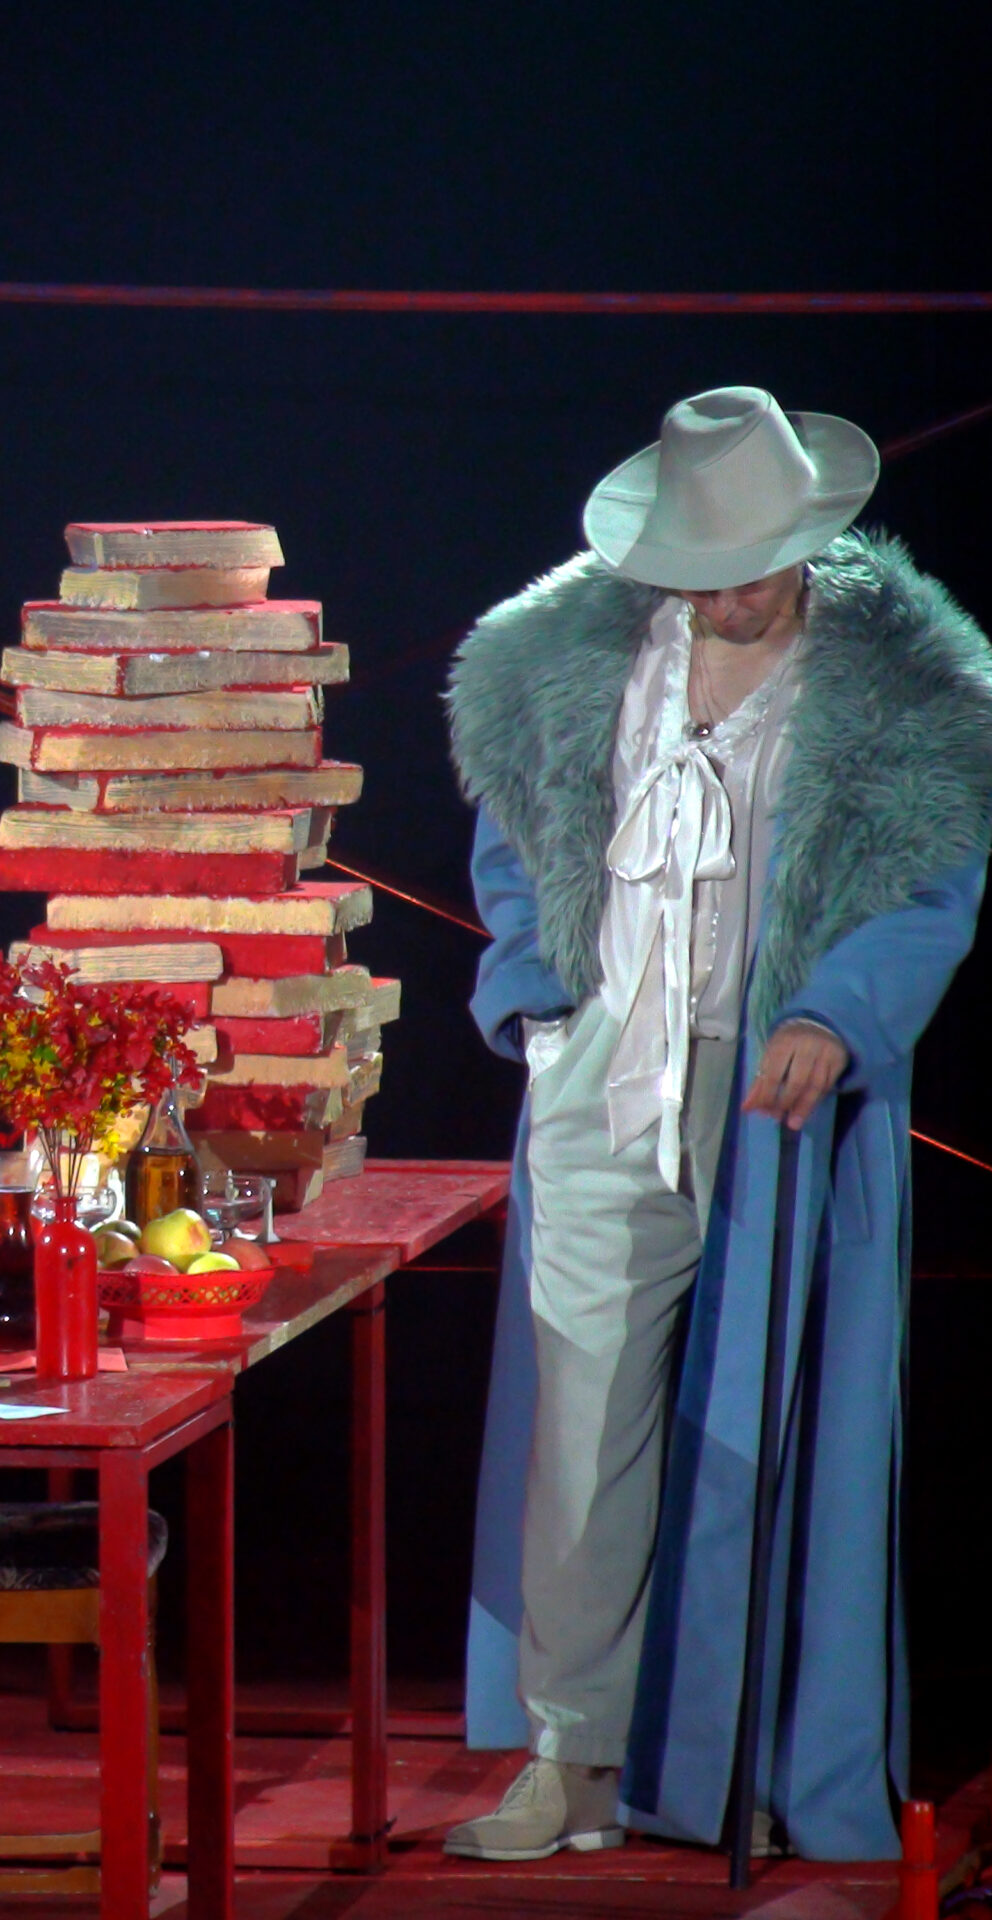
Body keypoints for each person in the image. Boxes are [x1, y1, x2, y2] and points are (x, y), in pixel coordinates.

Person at [444, 387, 992, 1862]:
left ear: (807, 539)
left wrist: (838, 1011)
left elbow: (932, 882)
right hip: (604, 1072)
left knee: (761, 1427)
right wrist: (539, 1008)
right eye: (702, 570)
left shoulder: (908, 684)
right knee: (580, 1429)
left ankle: (727, 1758)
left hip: (770, 1090)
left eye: (753, 567)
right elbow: (516, 836)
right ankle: (570, 1754)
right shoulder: (565, 656)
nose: (729, 595)